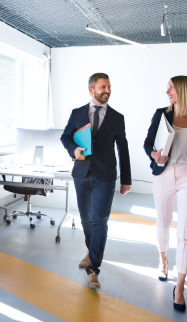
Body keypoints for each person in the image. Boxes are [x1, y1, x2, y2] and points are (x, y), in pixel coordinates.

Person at [143, 76, 187, 312]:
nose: (167, 91)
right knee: (163, 223)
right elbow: (147, 144)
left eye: (171, 87)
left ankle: (180, 286)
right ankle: (163, 260)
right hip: (164, 174)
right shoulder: (162, 114)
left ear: (182, 90)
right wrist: (155, 156)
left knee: (186, 232)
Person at [60, 72, 131, 290]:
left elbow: (123, 148)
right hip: (82, 173)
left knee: (100, 221)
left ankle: (94, 269)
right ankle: (92, 252)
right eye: (102, 87)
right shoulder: (78, 113)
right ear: (92, 90)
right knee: (86, 220)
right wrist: (75, 150)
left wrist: (126, 179)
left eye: (109, 87)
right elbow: (65, 137)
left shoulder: (117, 117)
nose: (107, 90)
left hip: (106, 176)